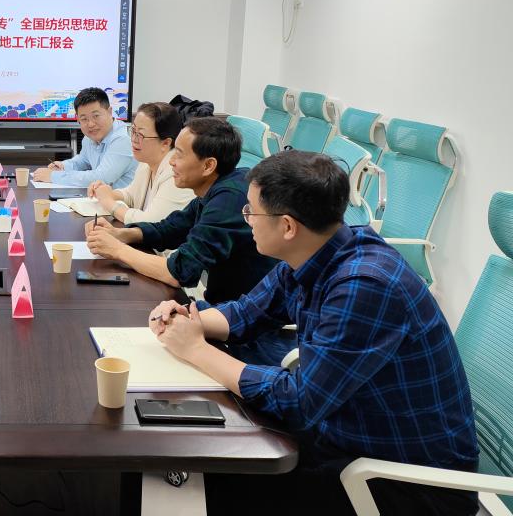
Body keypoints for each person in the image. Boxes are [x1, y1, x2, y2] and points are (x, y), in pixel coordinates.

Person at [150, 151, 479, 516]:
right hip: (343, 436)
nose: (247, 220)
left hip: (405, 484)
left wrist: (196, 349)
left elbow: (300, 401)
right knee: (206, 463)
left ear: (288, 226)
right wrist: (189, 318)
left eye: (251, 211)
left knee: (210, 486)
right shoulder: (315, 250)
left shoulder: (364, 285)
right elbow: (249, 312)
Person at [86, 116, 277, 305]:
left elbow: (180, 272)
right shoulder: (216, 187)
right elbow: (171, 228)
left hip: (242, 315)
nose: (171, 161)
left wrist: (117, 250)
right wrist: (121, 234)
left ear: (208, 165)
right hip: (226, 308)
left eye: (179, 154)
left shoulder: (229, 199)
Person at [86, 101, 193, 224]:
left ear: (165, 143)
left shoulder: (177, 172)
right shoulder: (147, 162)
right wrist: (107, 193)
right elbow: (131, 195)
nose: (133, 139)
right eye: (133, 131)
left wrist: (108, 202)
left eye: (141, 135)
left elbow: (151, 222)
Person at [31, 87, 137, 189]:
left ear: (109, 112)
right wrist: (63, 166)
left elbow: (102, 178)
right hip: (100, 197)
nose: (90, 124)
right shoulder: (89, 137)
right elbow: (83, 161)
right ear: (78, 119)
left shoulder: (122, 138)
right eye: (84, 119)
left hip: (121, 200)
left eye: (96, 116)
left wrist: (53, 176)